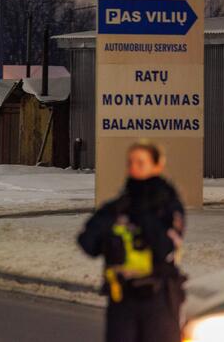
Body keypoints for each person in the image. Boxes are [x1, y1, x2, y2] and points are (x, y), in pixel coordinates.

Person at [77, 140, 186, 342]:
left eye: (140, 162)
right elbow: (87, 244)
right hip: (122, 298)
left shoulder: (168, 206)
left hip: (158, 297)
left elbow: (164, 247)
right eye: (130, 162)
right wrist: (106, 226)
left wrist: (142, 215)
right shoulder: (119, 206)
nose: (133, 167)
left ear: (157, 166)